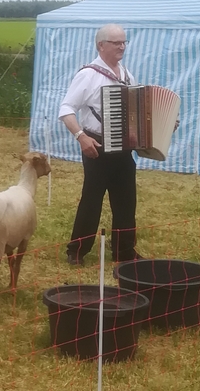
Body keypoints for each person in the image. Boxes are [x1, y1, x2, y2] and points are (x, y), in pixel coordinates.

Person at [59, 23, 141, 266]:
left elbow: (136, 113)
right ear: (101, 45)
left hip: (124, 149)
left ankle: (124, 252)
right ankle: (76, 251)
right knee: (91, 201)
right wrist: (81, 136)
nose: (122, 46)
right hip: (97, 146)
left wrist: (158, 127)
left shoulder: (127, 75)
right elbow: (66, 109)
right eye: (117, 42)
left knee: (126, 201)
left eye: (124, 42)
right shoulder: (88, 74)